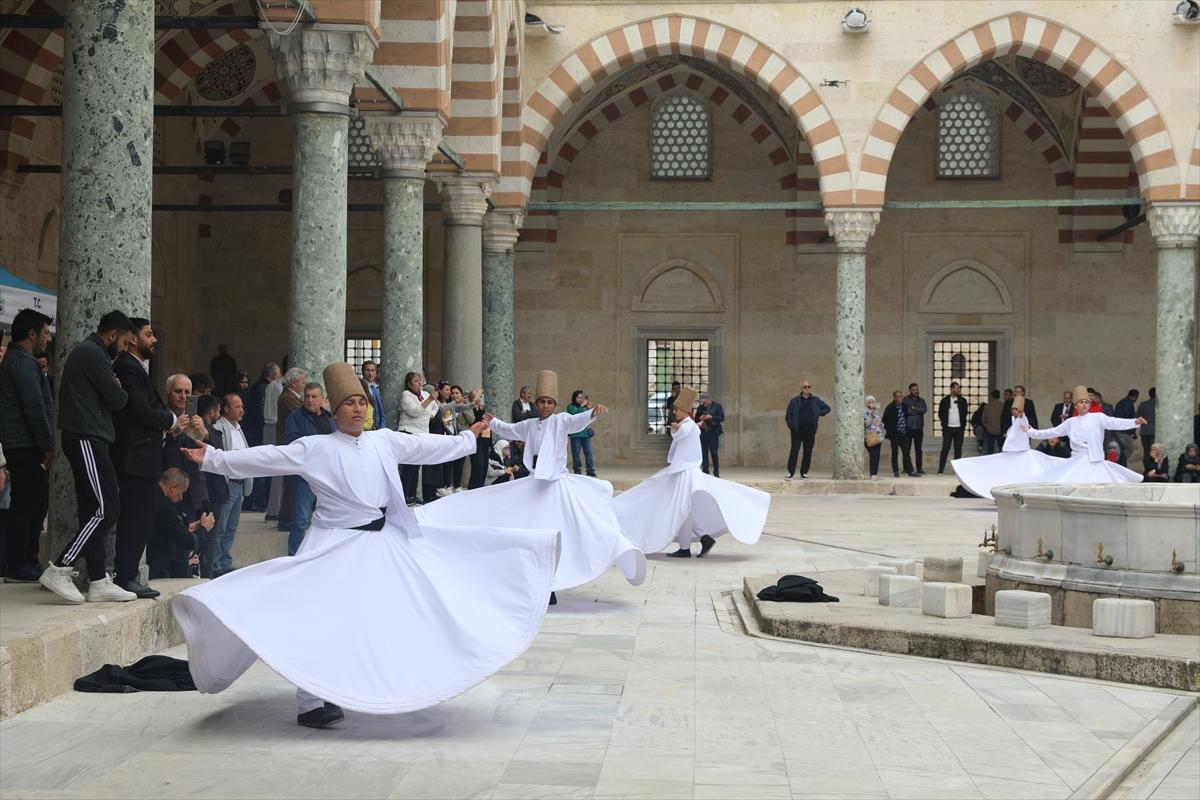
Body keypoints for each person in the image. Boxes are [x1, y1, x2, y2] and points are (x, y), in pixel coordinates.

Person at [176, 362, 560, 729]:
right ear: (333, 409)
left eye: (361, 402)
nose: (357, 409)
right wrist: (214, 457)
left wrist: (467, 437)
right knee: (318, 618)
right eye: (349, 403)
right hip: (330, 543)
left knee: (387, 612)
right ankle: (311, 701)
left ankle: (371, 681)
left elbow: (428, 448)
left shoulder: (385, 441)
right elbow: (267, 458)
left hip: (379, 541)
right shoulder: (316, 447)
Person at [416, 369, 645, 602]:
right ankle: (541, 583)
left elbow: (577, 423)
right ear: (536, 403)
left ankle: (553, 584)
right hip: (534, 484)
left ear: (554, 404)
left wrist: (591, 413)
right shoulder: (530, 424)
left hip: (556, 487)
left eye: (549, 402)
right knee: (529, 531)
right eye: (542, 402)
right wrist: (491, 421)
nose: (545, 406)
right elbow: (509, 429)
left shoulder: (561, 421)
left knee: (563, 533)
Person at [39, 311, 137, 604]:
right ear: (111, 335)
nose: (124, 351)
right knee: (108, 508)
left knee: (93, 509)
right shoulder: (93, 354)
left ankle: (97, 578)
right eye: (124, 344)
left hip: (89, 437)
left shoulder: (93, 354)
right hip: (86, 437)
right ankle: (60, 567)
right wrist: (117, 386)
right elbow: (119, 400)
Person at [614, 385, 769, 557]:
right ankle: (702, 539)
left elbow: (684, 431)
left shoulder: (688, 425)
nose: (675, 413)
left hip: (685, 472)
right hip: (682, 471)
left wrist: (677, 428)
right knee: (683, 508)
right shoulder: (690, 425)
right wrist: (677, 428)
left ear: (686, 412)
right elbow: (682, 433)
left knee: (680, 508)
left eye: (678, 410)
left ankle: (687, 547)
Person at [111, 318, 184, 599]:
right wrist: (171, 419)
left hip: (143, 457)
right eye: (149, 334)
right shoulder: (128, 367)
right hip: (135, 457)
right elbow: (140, 411)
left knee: (139, 517)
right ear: (132, 338)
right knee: (135, 518)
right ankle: (125, 576)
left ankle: (126, 574)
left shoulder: (135, 367)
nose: (154, 340)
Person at [0, 308, 54, 582]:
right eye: (45, 333)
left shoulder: (22, 360)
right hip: (24, 444)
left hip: (25, 442)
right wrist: (47, 444)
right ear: (32, 334)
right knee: (26, 503)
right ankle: (17, 564)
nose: (49, 339)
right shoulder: (21, 362)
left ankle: (28, 561)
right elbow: (34, 407)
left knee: (37, 500)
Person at [1027, 385, 1144, 483]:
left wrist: (1134, 422)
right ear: (1076, 405)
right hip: (1078, 461)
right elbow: (1052, 432)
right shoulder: (1070, 422)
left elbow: (1115, 422)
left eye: (1086, 402)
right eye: (1081, 402)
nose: (1084, 404)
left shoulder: (1098, 417)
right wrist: (1031, 432)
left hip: (1095, 460)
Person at [951, 396, 1060, 500]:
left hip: (1020, 453)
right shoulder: (1014, 420)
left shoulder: (1023, 419)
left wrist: (1022, 414)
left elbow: (1023, 421)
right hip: (1011, 453)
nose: (1014, 411)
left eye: (1016, 409)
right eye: (1013, 409)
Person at [282, 382, 334, 556]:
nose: (310, 400)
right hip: (304, 477)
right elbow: (292, 443)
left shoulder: (329, 417)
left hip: (327, 476)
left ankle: (318, 556)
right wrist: (316, 447)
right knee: (301, 520)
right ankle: (294, 557)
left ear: (322, 398)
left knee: (325, 518)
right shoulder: (295, 417)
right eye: (307, 397)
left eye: (314, 397)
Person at [212, 393, 252, 578]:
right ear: (226, 409)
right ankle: (215, 563)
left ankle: (225, 562)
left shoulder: (239, 429)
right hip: (227, 483)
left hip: (240, 483)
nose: (241, 410)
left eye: (242, 406)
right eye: (237, 406)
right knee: (221, 526)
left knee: (231, 527)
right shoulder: (219, 427)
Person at [147, 468, 214, 579]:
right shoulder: (164, 505)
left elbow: (170, 527)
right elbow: (185, 541)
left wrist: (188, 527)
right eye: (182, 492)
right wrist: (204, 528)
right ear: (174, 487)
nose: (181, 498)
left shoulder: (154, 495)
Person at [195, 394, 227, 578]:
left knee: (212, 537)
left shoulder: (213, 432)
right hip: (205, 491)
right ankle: (204, 575)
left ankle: (207, 574)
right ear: (212, 411)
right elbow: (216, 455)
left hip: (214, 491)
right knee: (208, 538)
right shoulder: (199, 430)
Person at [397, 371, 438, 505]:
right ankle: (405, 495)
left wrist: (430, 413)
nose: (419, 383)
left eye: (420, 380)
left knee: (417, 466)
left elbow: (435, 407)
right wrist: (429, 402)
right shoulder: (406, 395)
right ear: (409, 384)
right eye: (415, 381)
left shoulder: (425, 395)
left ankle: (412, 494)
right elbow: (415, 412)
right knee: (408, 466)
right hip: (409, 432)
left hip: (423, 433)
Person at [275, 367, 306, 531]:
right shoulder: (287, 397)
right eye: (302, 382)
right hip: (287, 444)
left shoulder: (293, 397)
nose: (304, 385)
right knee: (290, 483)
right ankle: (286, 518)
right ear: (294, 383)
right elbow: (301, 412)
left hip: (291, 444)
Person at [784, 381, 830, 480]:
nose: (807, 388)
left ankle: (804, 472)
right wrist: (791, 426)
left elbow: (827, 408)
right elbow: (788, 415)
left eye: (809, 387)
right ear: (801, 388)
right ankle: (790, 472)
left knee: (807, 452)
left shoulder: (815, 400)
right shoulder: (794, 401)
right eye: (805, 387)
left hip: (810, 430)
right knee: (794, 451)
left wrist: (818, 412)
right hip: (797, 431)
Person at [936, 381, 968, 474]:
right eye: (957, 388)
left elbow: (965, 413)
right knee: (945, 447)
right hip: (948, 429)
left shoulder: (962, 400)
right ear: (951, 389)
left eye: (959, 388)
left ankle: (957, 470)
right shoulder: (945, 400)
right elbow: (940, 413)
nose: (958, 390)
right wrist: (944, 423)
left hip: (959, 428)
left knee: (958, 449)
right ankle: (941, 468)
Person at [882, 391, 914, 477]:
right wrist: (890, 430)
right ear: (895, 398)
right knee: (895, 452)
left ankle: (910, 471)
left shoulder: (904, 406)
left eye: (901, 397)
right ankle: (895, 471)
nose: (901, 398)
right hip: (894, 434)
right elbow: (884, 420)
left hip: (904, 433)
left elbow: (906, 417)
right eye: (899, 397)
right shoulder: (890, 408)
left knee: (906, 452)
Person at [567, 390, 597, 477]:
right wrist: (582, 406)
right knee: (576, 453)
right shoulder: (570, 407)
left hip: (585, 434)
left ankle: (590, 470)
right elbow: (574, 416)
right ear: (574, 398)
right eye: (578, 397)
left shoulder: (584, 407)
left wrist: (590, 409)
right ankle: (577, 470)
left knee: (588, 452)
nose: (580, 399)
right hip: (575, 434)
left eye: (581, 397)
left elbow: (590, 417)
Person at [695, 392, 725, 478]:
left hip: (713, 432)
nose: (703, 403)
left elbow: (722, 418)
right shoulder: (700, 408)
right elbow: (696, 419)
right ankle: (705, 472)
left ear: (709, 400)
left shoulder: (717, 406)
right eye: (702, 401)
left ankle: (716, 472)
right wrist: (699, 418)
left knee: (714, 453)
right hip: (703, 432)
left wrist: (711, 417)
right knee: (704, 453)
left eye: (704, 401)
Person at [902, 383, 928, 475]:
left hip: (919, 428)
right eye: (914, 390)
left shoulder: (922, 400)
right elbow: (907, 412)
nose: (916, 391)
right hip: (908, 428)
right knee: (906, 449)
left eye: (917, 389)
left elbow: (924, 410)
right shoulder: (905, 400)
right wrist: (917, 410)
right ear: (910, 391)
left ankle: (919, 468)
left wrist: (913, 408)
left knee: (918, 449)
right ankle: (906, 468)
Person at [1112, 389, 1139, 467]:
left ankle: (1118, 464)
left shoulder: (1121, 402)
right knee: (1129, 449)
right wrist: (1132, 432)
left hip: (1117, 429)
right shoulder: (1129, 404)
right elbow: (1129, 418)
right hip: (1124, 431)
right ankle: (1120, 463)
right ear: (1135, 397)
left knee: (1120, 449)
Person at [863, 395, 884, 480]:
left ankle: (875, 473)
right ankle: (872, 474)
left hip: (878, 435)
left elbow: (880, 423)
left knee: (876, 455)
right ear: (866, 403)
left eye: (873, 402)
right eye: (869, 402)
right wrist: (871, 415)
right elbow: (866, 424)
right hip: (869, 435)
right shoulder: (864, 412)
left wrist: (880, 424)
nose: (871, 403)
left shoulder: (876, 412)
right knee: (873, 454)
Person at [361, 360, 386, 431]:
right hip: (364, 427)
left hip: (376, 429)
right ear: (363, 372)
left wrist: (382, 428)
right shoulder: (359, 387)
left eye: (373, 370)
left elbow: (380, 411)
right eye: (367, 370)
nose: (370, 374)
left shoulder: (375, 389)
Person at [1136, 388, 1156, 472]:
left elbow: (1137, 416)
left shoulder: (1143, 404)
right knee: (1155, 451)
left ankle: (1147, 469)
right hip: (1155, 430)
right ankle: (1153, 468)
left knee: (1146, 451)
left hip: (1145, 430)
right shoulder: (1161, 405)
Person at [982, 390, 1005, 455]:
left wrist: (987, 426)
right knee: (1001, 447)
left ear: (991, 396)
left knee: (990, 449)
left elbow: (983, 419)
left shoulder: (988, 406)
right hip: (1000, 430)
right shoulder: (1002, 406)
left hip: (990, 430)